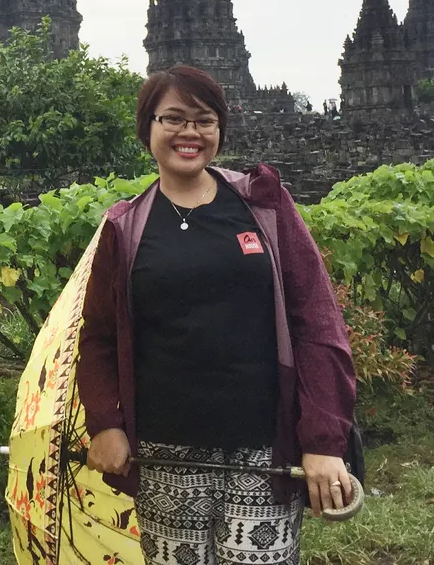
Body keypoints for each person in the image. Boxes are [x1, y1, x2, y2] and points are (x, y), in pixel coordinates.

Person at [77, 65, 356, 565]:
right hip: (166, 451)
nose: (189, 133)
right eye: (174, 119)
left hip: (262, 446)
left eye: (204, 120)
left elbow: (317, 323)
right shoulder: (124, 227)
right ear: (149, 129)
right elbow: (97, 335)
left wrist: (323, 440)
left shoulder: (263, 207)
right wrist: (106, 423)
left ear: (220, 130)